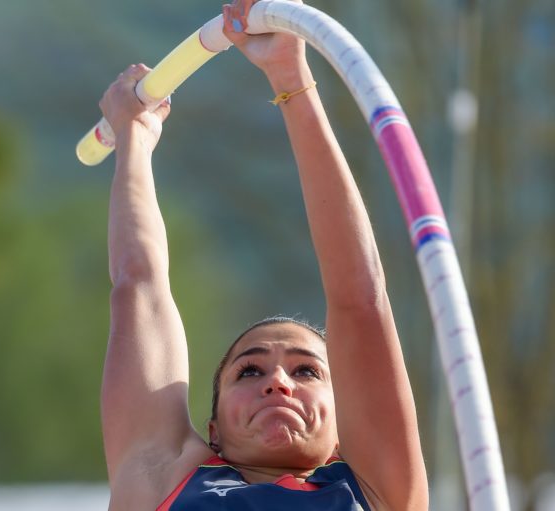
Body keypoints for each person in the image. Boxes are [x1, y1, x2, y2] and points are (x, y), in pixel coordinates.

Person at [98, 0, 429, 509]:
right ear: (214, 431)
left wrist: (289, 74)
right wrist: (134, 142)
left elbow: (359, 300)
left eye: (307, 371)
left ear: (346, 421)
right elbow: (138, 284)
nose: (277, 383)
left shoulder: (377, 492)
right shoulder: (160, 478)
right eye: (249, 371)